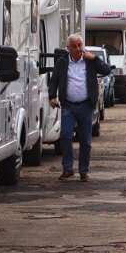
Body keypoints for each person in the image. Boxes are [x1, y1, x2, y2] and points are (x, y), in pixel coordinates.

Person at [49, 34, 112, 182]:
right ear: (68, 48)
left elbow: (107, 70)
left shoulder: (90, 61)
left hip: (85, 105)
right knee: (65, 135)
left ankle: (84, 171)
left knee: (85, 140)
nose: (78, 49)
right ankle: (67, 168)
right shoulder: (62, 62)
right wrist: (52, 97)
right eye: (74, 46)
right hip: (68, 105)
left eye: (80, 45)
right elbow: (54, 81)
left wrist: (95, 58)